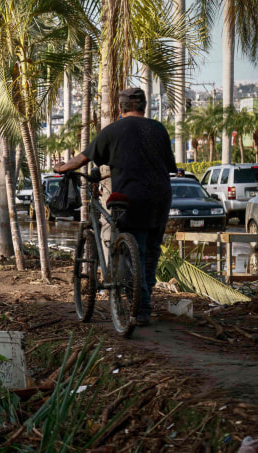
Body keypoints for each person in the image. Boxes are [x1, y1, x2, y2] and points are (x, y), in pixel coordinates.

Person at [53, 87, 177, 327]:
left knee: (136, 251)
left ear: (120, 108)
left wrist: (61, 168)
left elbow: (82, 158)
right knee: (151, 251)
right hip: (161, 197)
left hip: (130, 198)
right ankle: (145, 302)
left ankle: (139, 307)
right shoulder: (158, 129)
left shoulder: (113, 130)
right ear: (144, 107)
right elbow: (169, 166)